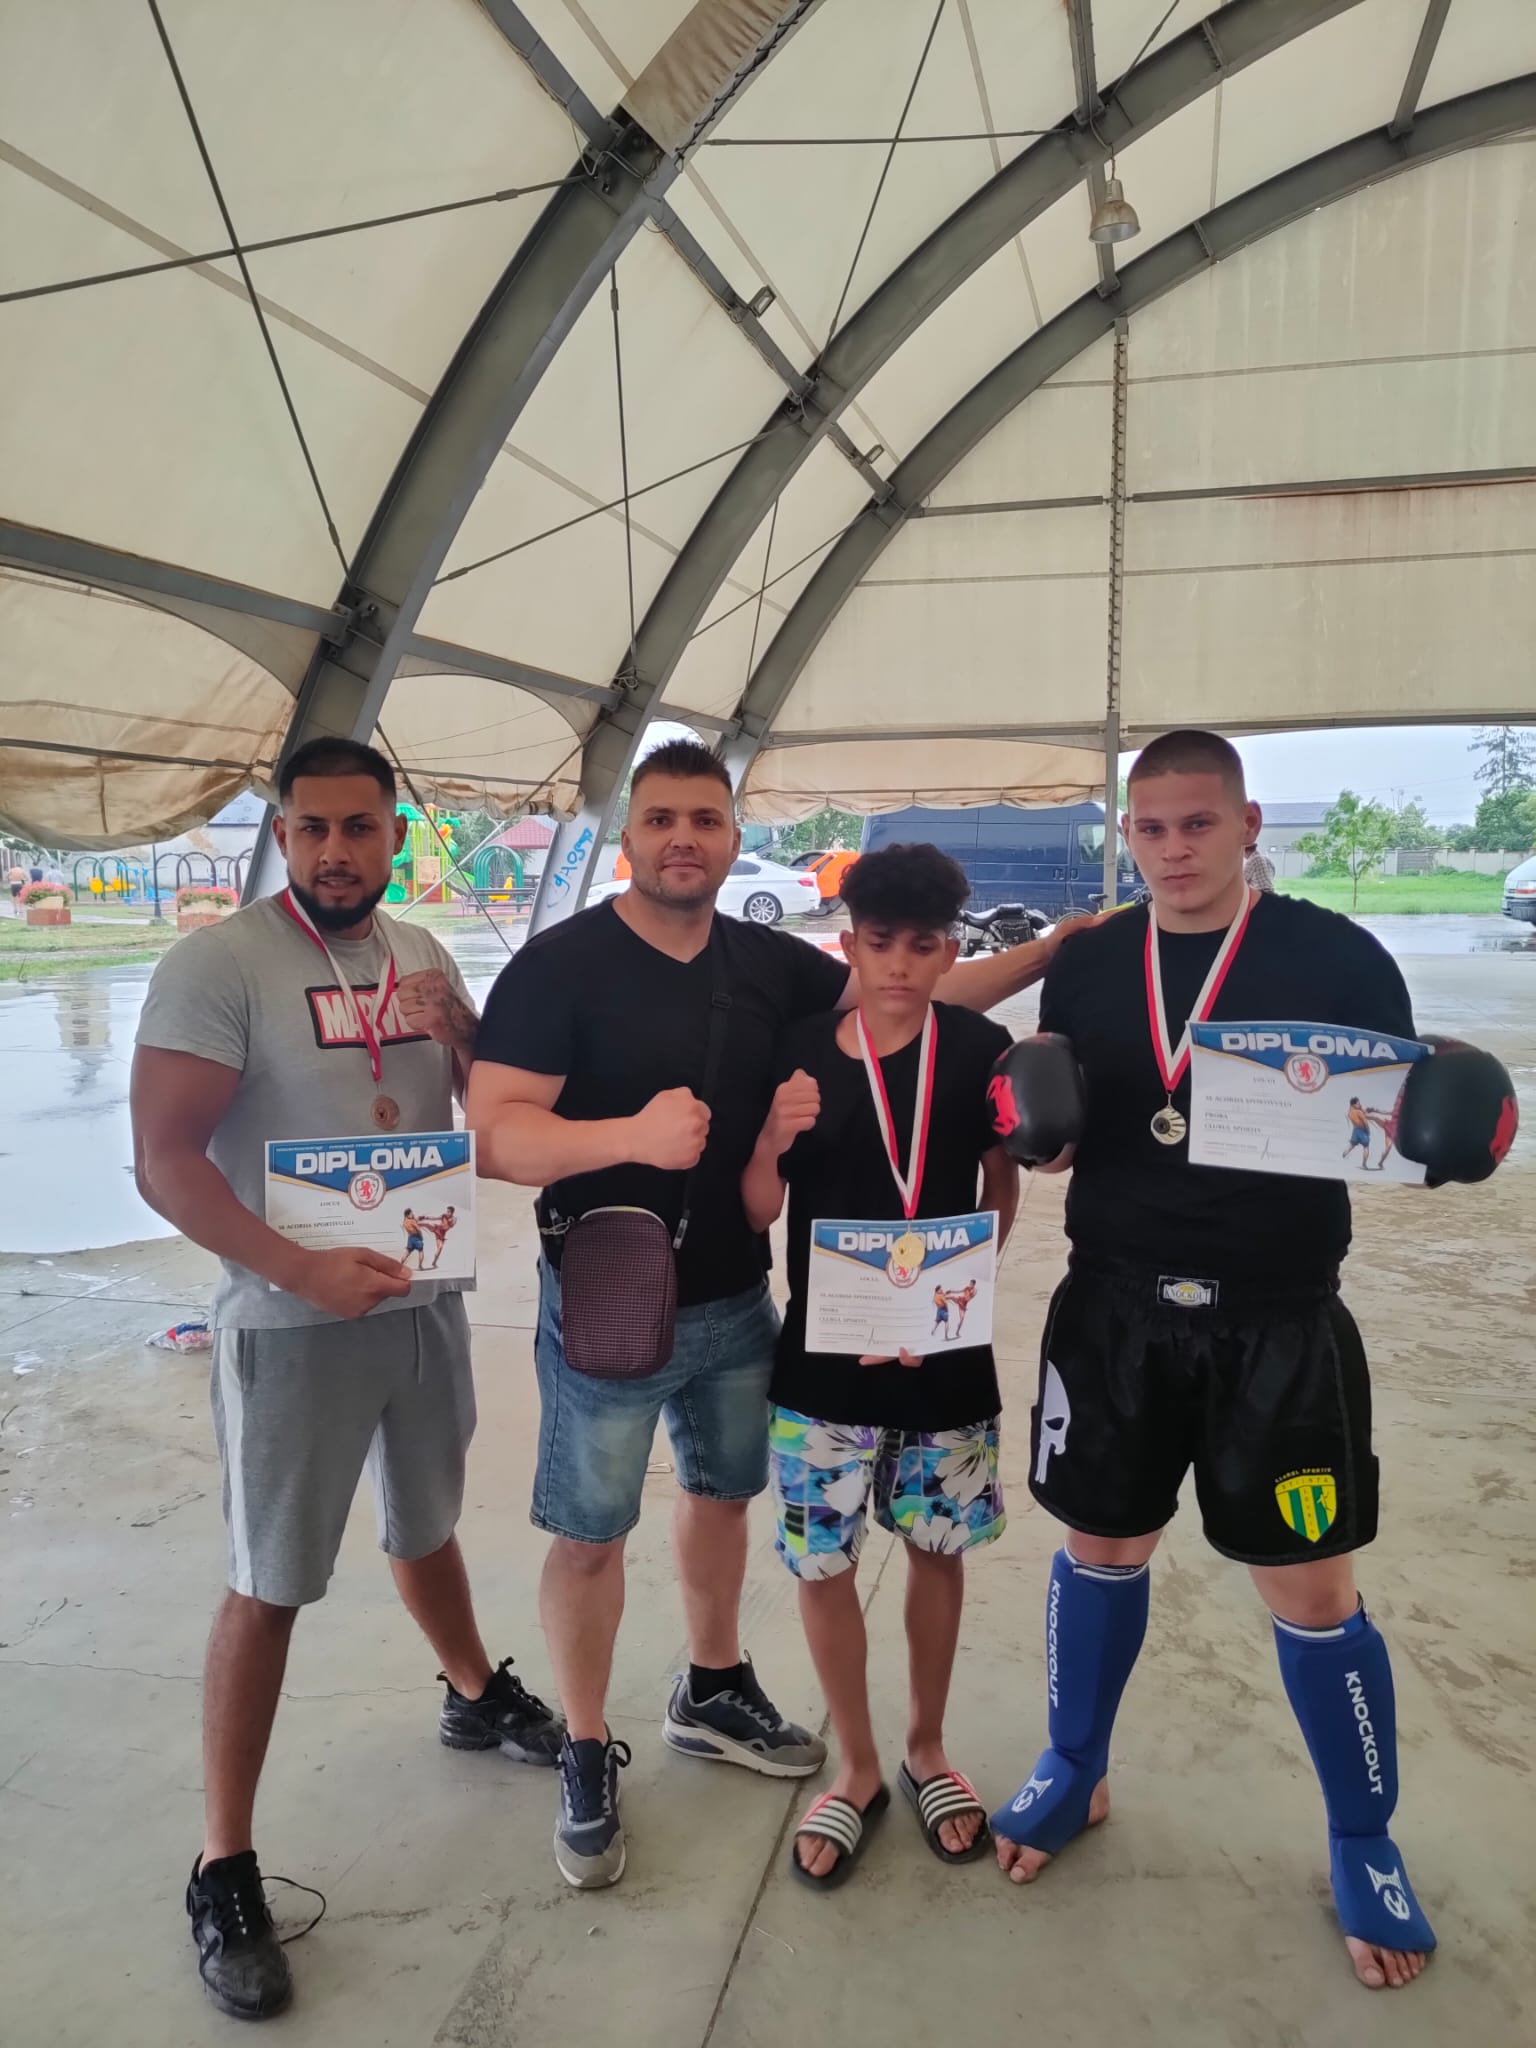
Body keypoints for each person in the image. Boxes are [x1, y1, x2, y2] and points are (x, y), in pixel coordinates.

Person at [467, 738, 1078, 1892]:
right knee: (591, 1531)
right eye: (660, 817)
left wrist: (1054, 951)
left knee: (722, 1499)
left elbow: (909, 999)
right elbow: (494, 1133)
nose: (682, 837)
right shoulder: (561, 966)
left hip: (744, 1298)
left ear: (734, 839)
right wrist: (629, 1137)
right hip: (609, 1295)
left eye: (704, 818)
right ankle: (588, 1746)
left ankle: (713, 1684)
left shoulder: (770, 962)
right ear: (627, 835)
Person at [990, 728, 1441, 1993]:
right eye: (1150, 828)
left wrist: (1447, 1124)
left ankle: (1363, 1837)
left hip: (1278, 1317)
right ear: (1125, 834)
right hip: (1116, 1306)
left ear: (1247, 825)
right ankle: (1076, 1767)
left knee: (1313, 1588)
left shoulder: (1336, 955)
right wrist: (1039, 1136)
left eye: (1198, 824)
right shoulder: (1092, 963)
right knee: (1100, 1546)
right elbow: (1064, 1128)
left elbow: (1398, 1125)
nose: (1174, 850)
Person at [132, 737, 561, 2023]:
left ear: (393, 835)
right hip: (291, 1322)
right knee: (270, 1579)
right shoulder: (219, 966)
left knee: (426, 1522)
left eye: (358, 827)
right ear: (281, 833)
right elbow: (165, 1157)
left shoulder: (420, 951)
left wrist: (464, 1028)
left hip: (422, 1299)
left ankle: (474, 1692)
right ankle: (222, 1863)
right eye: (312, 828)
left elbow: (488, 1103)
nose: (335, 851)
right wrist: (295, 1270)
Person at [742, 843, 1018, 1887]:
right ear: (848, 944)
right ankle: (855, 1765)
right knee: (824, 1563)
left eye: (923, 944)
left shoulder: (982, 1049)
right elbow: (757, 1209)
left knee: (938, 1549)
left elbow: (1001, 1183)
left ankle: (926, 1748)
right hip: (823, 1363)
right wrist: (769, 1139)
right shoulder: (798, 1051)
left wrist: (959, 1287)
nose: (900, 964)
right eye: (880, 941)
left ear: (949, 950)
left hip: (943, 1354)